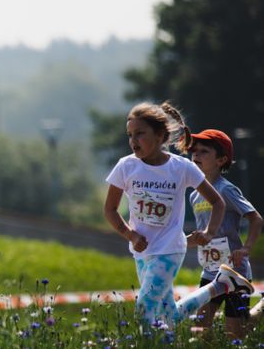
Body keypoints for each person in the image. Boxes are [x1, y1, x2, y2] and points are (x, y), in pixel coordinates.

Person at [103, 102, 253, 329]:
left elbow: (217, 202)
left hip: (170, 249)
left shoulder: (181, 168)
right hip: (142, 251)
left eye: (140, 134)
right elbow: (110, 210)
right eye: (130, 135)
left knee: (144, 307)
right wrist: (130, 235)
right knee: (168, 317)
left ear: (160, 135)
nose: (133, 140)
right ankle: (220, 285)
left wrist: (209, 232)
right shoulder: (126, 166)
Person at [179, 129, 261, 339]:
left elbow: (256, 219)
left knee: (236, 333)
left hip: (235, 271)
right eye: (194, 151)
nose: (196, 155)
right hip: (210, 271)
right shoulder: (195, 195)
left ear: (221, 160)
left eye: (204, 151)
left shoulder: (226, 190)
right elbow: (205, 236)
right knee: (199, 327)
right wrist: (185, 243)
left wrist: (246, 249)